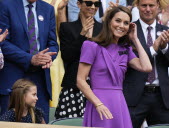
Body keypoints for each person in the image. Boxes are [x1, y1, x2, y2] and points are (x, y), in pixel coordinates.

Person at [77, 6, 152, 128]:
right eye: (118, 20)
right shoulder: (90, 45)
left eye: (126, 23)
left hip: (119, 103)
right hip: (99, 102)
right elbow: (80, 80)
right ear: (109, 22)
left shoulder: (126, 50)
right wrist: (98, 104)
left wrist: (135, 39)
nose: (121, 25)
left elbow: (147, 67)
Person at [0, 0, 58, 123]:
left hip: (40, 80)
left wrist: (47, 57)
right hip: (14, 80)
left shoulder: (48, 9)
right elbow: (3, 42)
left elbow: (53, 44)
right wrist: (30, 59)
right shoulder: (5, 5)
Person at [123, 0, 169, 127]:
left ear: (158, 6)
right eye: (144, 5)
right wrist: (153, 48)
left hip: (162, 97)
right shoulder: (128, 30)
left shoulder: (166, 31)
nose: (148, 9)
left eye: (151, 5)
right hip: (135, 96)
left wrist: (164, 48)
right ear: (137, 6)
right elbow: (131, 60)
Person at [55, 0, 102, 119]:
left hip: (98, 88)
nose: (93, 7)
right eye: (89, 3)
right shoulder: (67, 27)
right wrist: (82, 35)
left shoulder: (103, 29)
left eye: (96, 4)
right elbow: (67, 57)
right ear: (79, 4)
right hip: (73, 88)